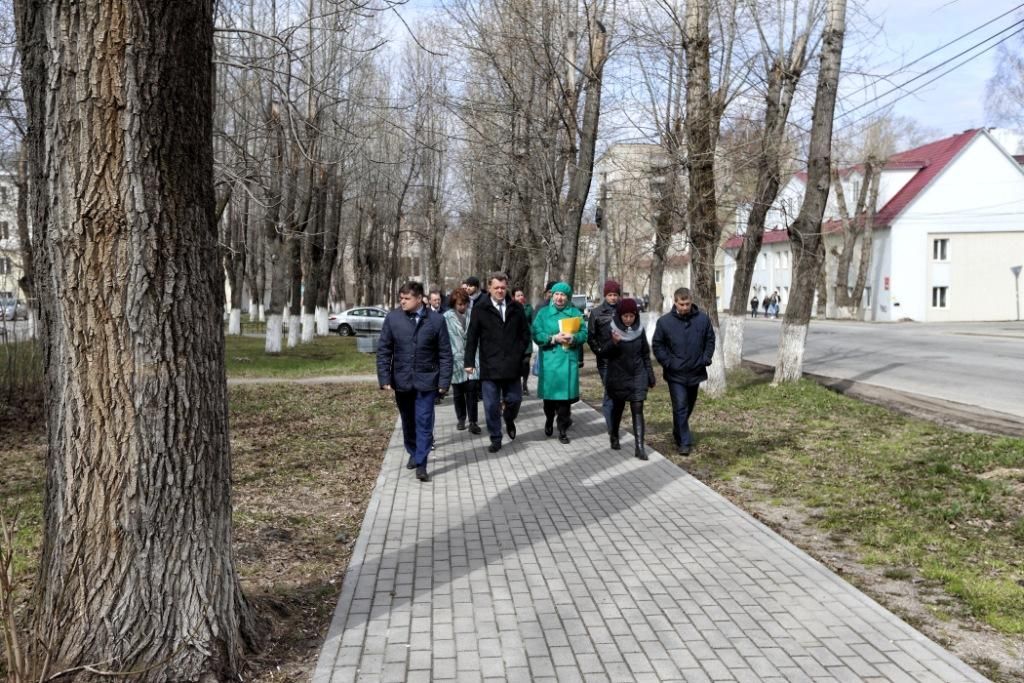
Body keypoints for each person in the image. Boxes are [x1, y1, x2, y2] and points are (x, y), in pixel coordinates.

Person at [376, 281, 453, 482]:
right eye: (401, 298)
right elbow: (384, 350)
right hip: (402, 381)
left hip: (427, 381)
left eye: (407, 298)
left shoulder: (436, 320)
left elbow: (445, 354)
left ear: (419, 299)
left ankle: (422, 463)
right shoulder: (393, 319)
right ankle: (413, 450)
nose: (402, 301)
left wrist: (444, 381)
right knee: (408, 422)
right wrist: (384, 378)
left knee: (424, 422)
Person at [464, 272, 532, 453]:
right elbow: (472, 337)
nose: (500, 291)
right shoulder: (480, 308)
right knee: (491, 406)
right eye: (496, 288)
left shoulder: (516, 307)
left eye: (503, 287)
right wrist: (469, 361)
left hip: (512, 365)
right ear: (489, 288)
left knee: (515, 400)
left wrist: (518, 351)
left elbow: (525, 333)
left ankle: (509, 419)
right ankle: (495, 437)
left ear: (506, 287)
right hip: (489, 365)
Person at [652, 287, 715, 456]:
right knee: (680, 406)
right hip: (675, 373)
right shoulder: (664, 322)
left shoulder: (703, 320)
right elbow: (658, 345)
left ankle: (678, 430)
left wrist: (705, 358)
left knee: (688, 406)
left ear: (691, 301)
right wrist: (668, 362)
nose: (685, 307)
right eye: (682, 304)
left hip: (695, 371)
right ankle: (685, 442)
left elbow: (710, 340)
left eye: (687, 304)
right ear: (675, 302)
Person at [596, 298, 655, 460]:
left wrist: (650, 376)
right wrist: (613, 343)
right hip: (618, 376)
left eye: (632, 316)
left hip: (637, 375)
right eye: (625, 316)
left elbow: (645, 354)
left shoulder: (639, 330)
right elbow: (603, 353)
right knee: (618, 408)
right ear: (620, 315)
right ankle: (614, 434)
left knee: (638, 408)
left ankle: (639, 447)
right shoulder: (611, 329)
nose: (629, 319)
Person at [532, 282, 588, 444]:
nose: (559, 297)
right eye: (556, 294)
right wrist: (553, 338)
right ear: (552, 295)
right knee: (549, 401)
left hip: (568, 361)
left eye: (563, 295)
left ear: (568, 297)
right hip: (549, 361)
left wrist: (574, 338)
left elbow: (584, 333)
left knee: (565, 401)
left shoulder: (575, 313)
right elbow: (536, 333)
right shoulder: (543, 313)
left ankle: (562, 430)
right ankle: (549, 419)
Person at [443, 288, 482, 434]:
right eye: (459, 304)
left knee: (472, 391)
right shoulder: (446, 317)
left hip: (473, 358)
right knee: (458, 392)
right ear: (454, 303)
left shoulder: (473, 314)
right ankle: (461, 418)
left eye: (465, 303)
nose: (462, 306)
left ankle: (473, 422)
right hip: (455, 359)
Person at [587, 279, 621, 431]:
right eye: (610, 295)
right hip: (605, 361)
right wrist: (600, 351)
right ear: (605, 296)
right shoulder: (596, 313)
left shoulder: (624, 311)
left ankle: (614, 421)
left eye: (615, 295)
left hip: (622, 360)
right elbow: (591, 337)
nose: (613, 298)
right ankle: (612, 427)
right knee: (610, 391)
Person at [513, 286, 534, 396]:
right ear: (513, 297)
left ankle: (525, 383)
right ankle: (516, 384)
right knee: (517, 363)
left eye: (522, 295)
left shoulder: (528, 308)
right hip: (515, 341)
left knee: (526, 362)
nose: (520, 297)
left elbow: (533, 322)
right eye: (518, 295)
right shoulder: (511, 308)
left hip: (527, 340)